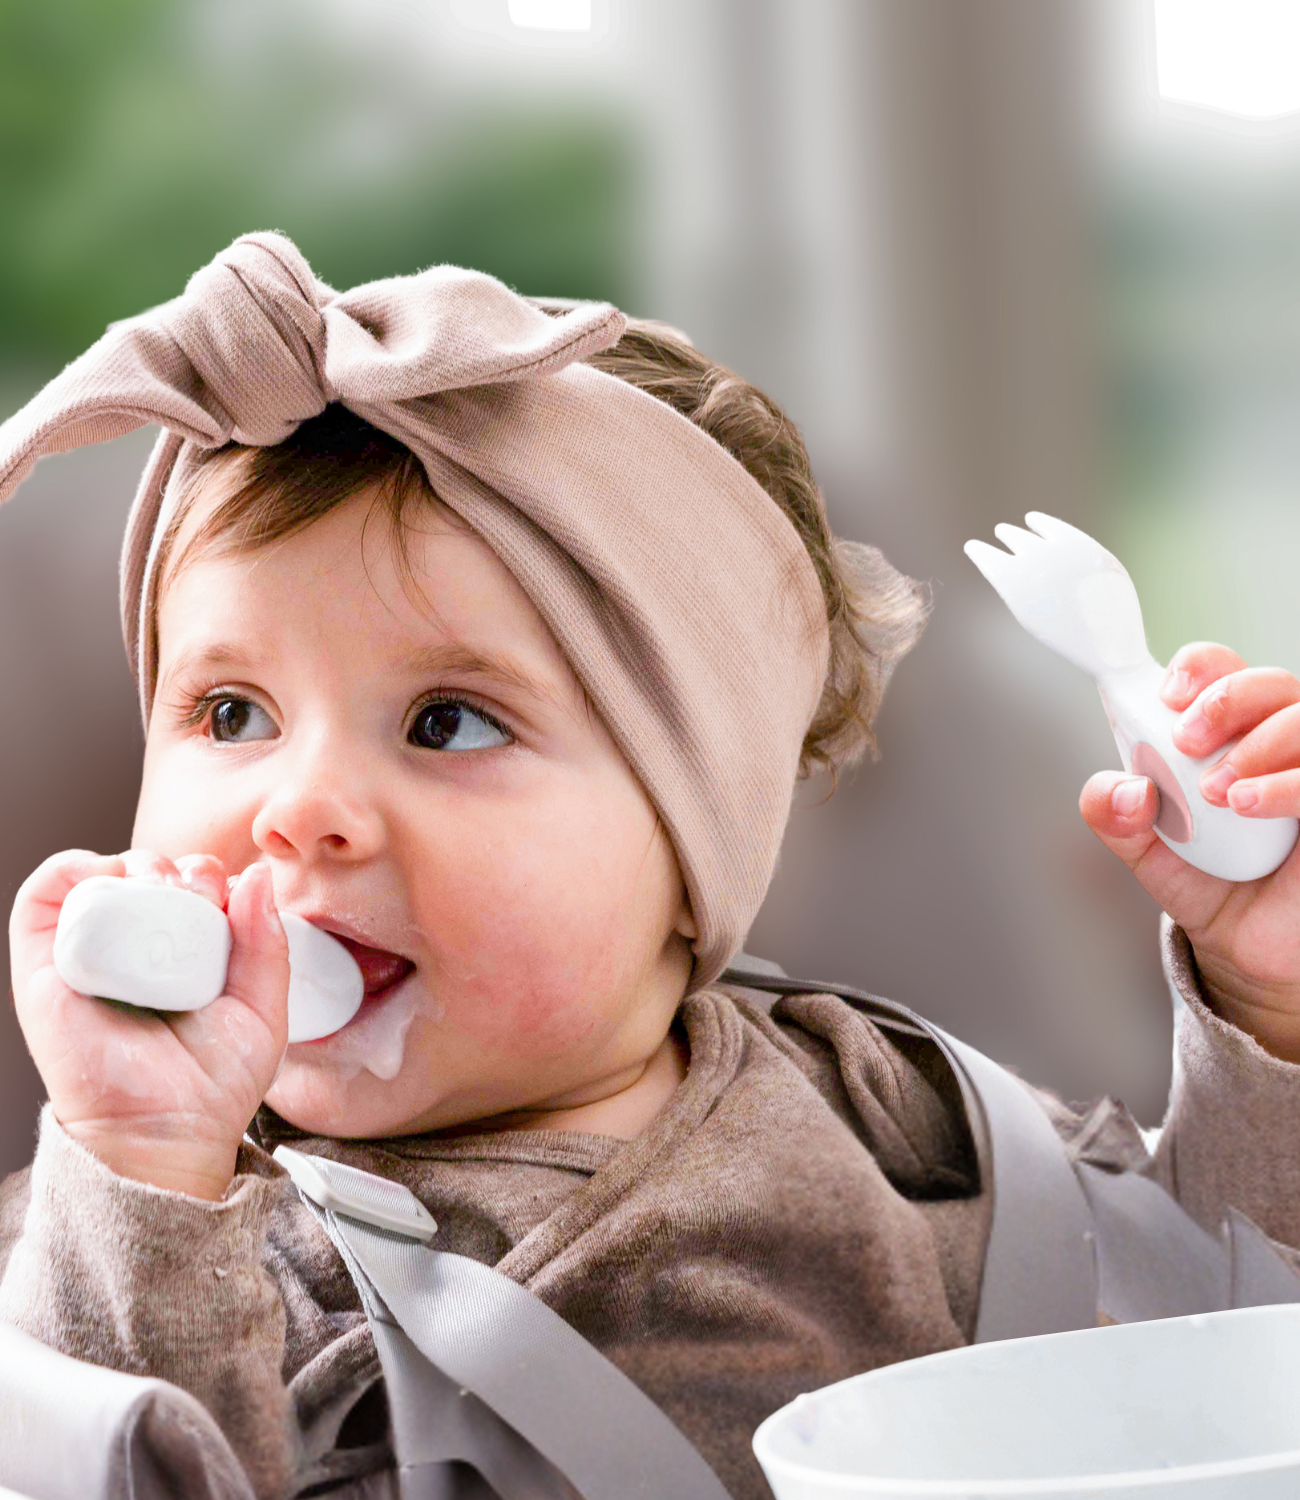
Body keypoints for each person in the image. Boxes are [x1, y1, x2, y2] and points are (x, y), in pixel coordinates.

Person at [2, 232, 1300, 1500]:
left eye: (447, 720)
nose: (299, 811)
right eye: (232, 714)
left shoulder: (892, 1101)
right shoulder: (144, 1240)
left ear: (696, 846)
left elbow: (1219, 1331)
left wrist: (1268, 1011)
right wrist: (138, 1167)